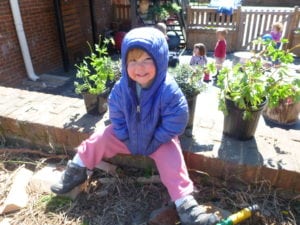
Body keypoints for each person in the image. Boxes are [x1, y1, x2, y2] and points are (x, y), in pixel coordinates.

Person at [50, 27, 220, 225]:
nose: (140, 67)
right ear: (124, 63)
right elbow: (116, 112)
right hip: (127, 136)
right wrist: (122, 134)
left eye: (147, 60)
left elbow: (177, 118)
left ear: (160, 60)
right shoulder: (123, 87)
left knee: (173, 160)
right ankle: (77, 169)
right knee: (100, 138)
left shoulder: (168, 89)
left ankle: (185, 203)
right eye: (133, 61)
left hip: (158, 139)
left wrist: (157, 139)